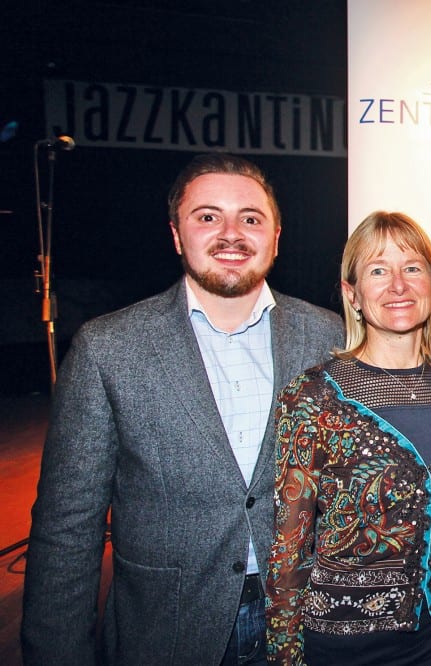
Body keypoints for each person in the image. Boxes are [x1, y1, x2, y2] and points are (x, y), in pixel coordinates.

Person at [21, 153, 343, 665]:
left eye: (251, 218)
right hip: (168, 629)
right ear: (176, 235)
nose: (231, 233)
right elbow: (68, 527)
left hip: (309, 624)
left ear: (276, 237)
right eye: (208, 216)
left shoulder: (331, 338)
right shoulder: (108, 349)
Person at [265, 211, 431, 666]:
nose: (398, 285)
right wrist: (285, 656)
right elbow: (288, 547)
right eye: (378, 270)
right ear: (352, 295)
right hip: (343, 646)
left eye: (412, 268)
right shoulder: (312, 396)